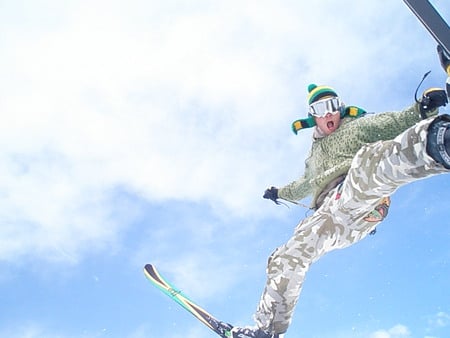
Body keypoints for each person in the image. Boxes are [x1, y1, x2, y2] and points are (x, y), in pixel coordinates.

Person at [230, 46, 450, 338]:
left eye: (332, 105)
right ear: (313, 118)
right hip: (328, 216)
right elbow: (302, 185)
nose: (329, 113)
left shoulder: (356, 127)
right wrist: (279, 192)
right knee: (286, 257)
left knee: (367, 162)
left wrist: (421, 109)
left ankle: (439, 143)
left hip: (359, 194)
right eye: (320, 109)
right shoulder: (313, 157)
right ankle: (268, 330)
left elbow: (393, 122)